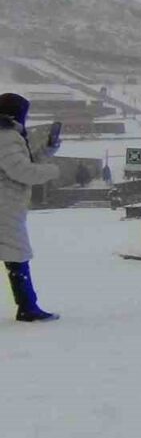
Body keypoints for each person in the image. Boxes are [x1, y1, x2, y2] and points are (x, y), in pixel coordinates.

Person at [0, 93, 63, 322]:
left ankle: (27, 305)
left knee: (16, 256)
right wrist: (53, 171)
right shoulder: (6, 136)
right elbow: (21, 171)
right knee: (17, 255)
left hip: (7, 205)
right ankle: (27, 307)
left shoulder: (8, 134)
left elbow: (22, 163)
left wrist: (47, 149)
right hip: (4, 207)